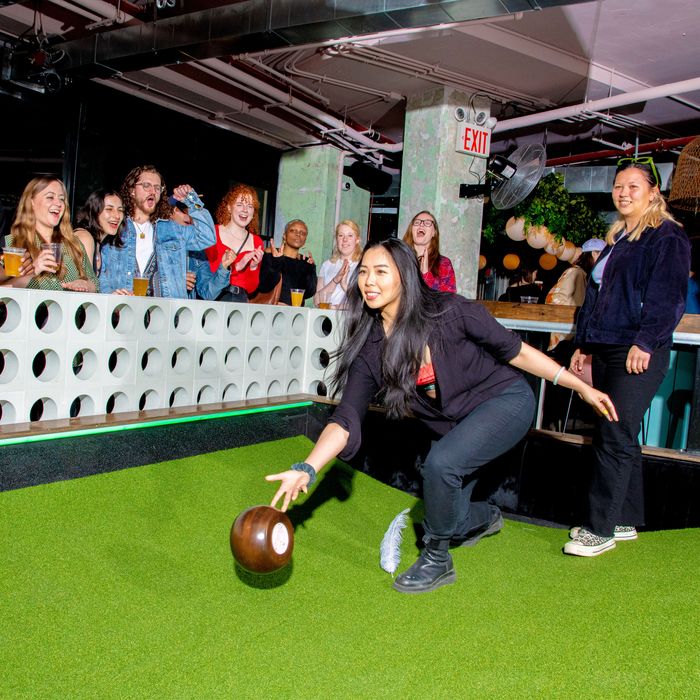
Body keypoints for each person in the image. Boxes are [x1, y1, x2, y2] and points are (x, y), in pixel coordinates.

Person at [265, 238, 617, 593]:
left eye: (381, 271)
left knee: (440, 464)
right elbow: (346, 419)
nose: (369, 281)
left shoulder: (450, 311)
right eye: (364, 272)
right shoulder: (371, 346)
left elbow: (518, 353)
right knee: (450, 516)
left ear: (404, 276)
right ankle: (485, 517)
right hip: (455, 424)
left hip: (505, 401)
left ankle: (437, 559)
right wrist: (307, 467)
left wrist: (579, 386)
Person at [566, 157, 690, 557]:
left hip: (637, 349)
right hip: (605, 346)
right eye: (619, 186)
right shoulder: (618, 239)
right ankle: (624, 520)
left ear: (654, 192)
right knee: (620, 433)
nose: (623, 193)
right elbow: (597, 300)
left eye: (633, 186)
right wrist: (583, 345)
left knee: (613, 433)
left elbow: (668, 297)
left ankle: (599, 528)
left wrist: (647, 342)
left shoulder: (666, 236)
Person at [99, 165, 215, 297]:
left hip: (164, 312)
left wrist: (191, 200)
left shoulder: (171, 230)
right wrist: (109, 294)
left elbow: (207, 236)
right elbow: (101, 272)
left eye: (157, 188)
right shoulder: (116, 227)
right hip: (124, 310)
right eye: (146, 185)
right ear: (132, 190)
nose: (153, 191)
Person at [2, 177, 98, 292]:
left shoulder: (74, 244)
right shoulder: (11, 244)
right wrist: (34, 271)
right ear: (31, 202)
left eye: (62, 199)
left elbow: (95, 284)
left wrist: (85, 284)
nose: (58, 203)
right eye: (50, 197)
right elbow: (3, 293)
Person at [190, 185, 265, 302]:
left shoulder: (257, 241)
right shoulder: (212, 233)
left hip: (239, 302)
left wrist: (253, 267)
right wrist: (238, 265)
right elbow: (205, 277)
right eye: (239, 205)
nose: (245, 210)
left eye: (250, 206)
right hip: (214, 300)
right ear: (229, 208)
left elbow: (251, 288)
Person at [546, 238, 606, 352]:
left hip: (573, 337)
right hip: (564, 339)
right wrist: (576, 314)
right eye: (603, 256)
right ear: (594, 254)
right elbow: (553, 298)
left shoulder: (586, 276)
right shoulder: (575, 272)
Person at [257, 219, 317, 305]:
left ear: (304, 241)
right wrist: (276, 262)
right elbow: (263, 285)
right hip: (272, 311)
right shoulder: (271, 254)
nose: (298, 234)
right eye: (293, 230)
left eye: (302, 233)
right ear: (284, 235)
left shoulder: (305, 263)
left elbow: (309, 292)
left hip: (295, 313)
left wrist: (311, 269)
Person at [73, 189, 126, 276]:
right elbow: (83, 286)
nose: (117, 216)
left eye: (120, 210)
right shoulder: (84, 237)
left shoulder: (98, 243)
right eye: (109, 209)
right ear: (94, 212)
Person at [402, 210, 456, 292]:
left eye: (427, 223)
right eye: (417, 222)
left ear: (434, 232)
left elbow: (448, 300)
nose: (421, 224)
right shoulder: (399, 258)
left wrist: (426, 276)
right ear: (411, 230)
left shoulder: (444, 263)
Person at [314, 220, 362, 309]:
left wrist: (344, 284)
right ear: (337, 239)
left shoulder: (363, 266)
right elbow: (317, 301)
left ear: (357, 240)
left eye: (350, 235)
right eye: (341, 235)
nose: (345, 239)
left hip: (350, 319)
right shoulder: (327, 265)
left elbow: (363, 302)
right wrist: (336, 280)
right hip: (326, 319)